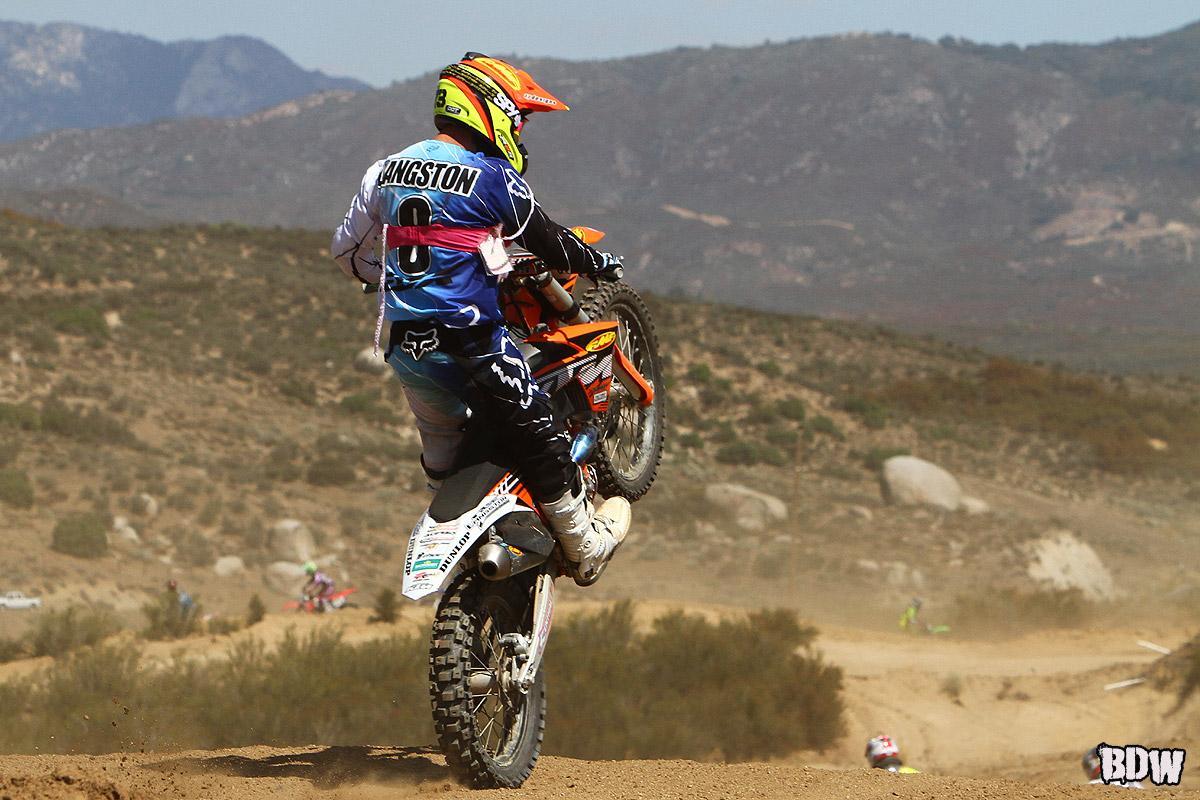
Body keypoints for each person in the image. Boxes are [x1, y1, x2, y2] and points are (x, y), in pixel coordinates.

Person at [331, 52, 630, 584]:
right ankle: (583, 540)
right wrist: (597, 263)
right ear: (488, 108)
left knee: (445, 454)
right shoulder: (491, 176)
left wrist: (395, 277)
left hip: (406, 346)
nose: (519, 130)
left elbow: (347, 251)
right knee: (537, 425)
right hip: (472, 338)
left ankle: (469, 562)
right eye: (518, 117)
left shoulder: (383, 170)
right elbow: (548, 239)